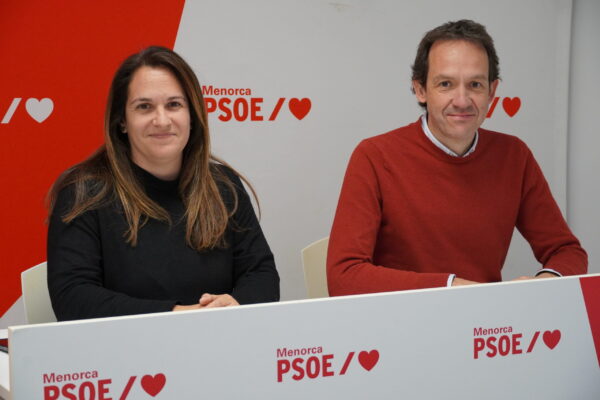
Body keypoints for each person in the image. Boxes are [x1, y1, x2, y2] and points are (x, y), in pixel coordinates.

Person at [326, 20, 587, 295]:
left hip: (484, 319)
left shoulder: (514, 155)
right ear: (420, 90)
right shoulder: (374, 156)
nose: (462, 100)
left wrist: (546, 281)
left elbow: (566, 250)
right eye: (446, 84)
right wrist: (452, 288)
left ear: (492, 91)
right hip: (401, 318)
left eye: (475, 84)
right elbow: (343, 277)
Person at [47, 46, 279, 321]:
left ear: (192, 115)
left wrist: (234, 305)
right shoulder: (82, 194)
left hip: (219, 341)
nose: (162, 120)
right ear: (122, 121)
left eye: (174, 105)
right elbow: (73, 298)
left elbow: (262, 274)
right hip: (125, 348)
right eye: (144, 107)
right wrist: (179, 316)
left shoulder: (224, 186)